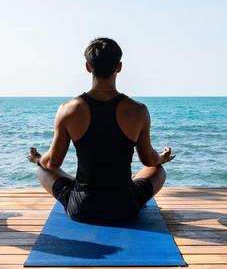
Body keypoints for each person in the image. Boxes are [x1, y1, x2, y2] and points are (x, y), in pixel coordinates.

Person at [27, 37, 175, 224]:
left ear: (88, 67)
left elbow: (53, 163)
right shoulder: (138, 110)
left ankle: (80, 184)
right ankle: (126, 185)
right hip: (124, 208)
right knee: (159, 170)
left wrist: (37, 159)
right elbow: (149, 160)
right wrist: (162, 158)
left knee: (42, 170)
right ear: (119, 67)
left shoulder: (68, 109)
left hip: (82, 207)